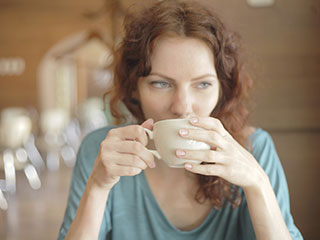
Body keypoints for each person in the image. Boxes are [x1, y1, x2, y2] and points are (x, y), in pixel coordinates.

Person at [58, 0, 303, 239]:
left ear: (222, 89)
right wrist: (98, 187)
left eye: (203, 84)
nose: (182, 107)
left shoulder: (255, 149)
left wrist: (257, 183)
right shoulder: (101, 152)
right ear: (134, 89)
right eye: (161, 83)